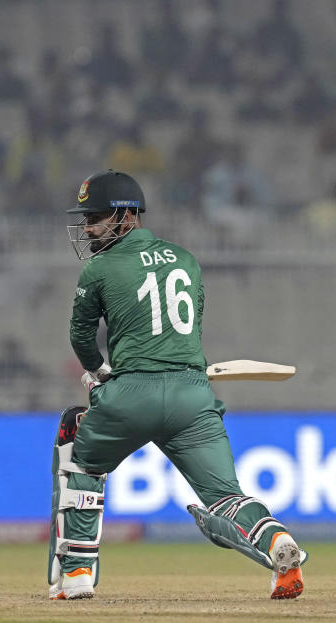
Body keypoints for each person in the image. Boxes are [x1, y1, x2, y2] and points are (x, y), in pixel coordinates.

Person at [48, 169, 306, 601]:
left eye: (94, 217)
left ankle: (75, 574)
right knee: (226, 497)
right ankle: (277, 540)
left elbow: (80, 337)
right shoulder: (186, 259)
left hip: (132, 396)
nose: (88, 227)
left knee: (79, 453)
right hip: (192, 392)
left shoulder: (99, 268)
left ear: (125, 216)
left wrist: (98, 372)